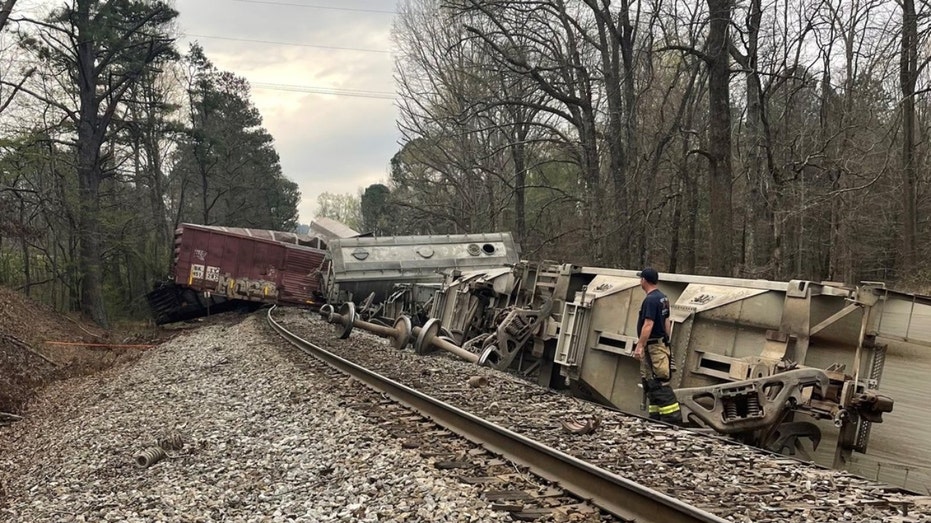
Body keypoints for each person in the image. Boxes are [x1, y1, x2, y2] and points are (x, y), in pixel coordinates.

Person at [632, 267, 682, 425]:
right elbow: (667, 322)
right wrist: (666, 342)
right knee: (650, 383)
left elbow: (648, 324)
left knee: (659, 383)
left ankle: (673, 420)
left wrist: (640, 346)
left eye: (641, 279)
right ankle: (655, 420)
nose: (640, 281)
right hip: (658, 345)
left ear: (644, 280)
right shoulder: (663, 298)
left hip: (653, 347)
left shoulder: (650, 300)